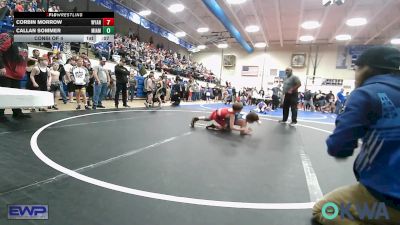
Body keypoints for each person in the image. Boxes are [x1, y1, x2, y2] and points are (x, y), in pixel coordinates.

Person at [312, 46, 400, 225]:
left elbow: (339, 147)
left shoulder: (366, 93)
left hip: (389, 196)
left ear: (365, 69)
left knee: (325, 210)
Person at [0, 32, 30, 121]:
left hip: (17, 75)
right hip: (6, 73)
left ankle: (17, 113)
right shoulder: (8, 36)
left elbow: (23, 58)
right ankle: (0, 114)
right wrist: (1, 66)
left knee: (16, 96)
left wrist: (25, 68)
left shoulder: (25, 44)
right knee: (4, 95)